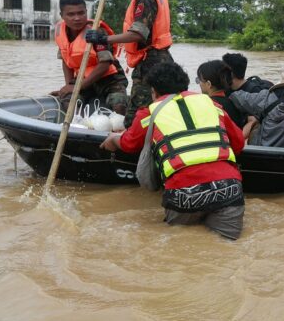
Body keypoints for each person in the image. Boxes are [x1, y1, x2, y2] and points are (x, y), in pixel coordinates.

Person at [100, 62, 245, 240]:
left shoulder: (150, 113)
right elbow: (238, 144)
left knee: (179, 244)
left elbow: (130, 144)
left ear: (154, 91)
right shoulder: (212, 105)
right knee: (227, 245)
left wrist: (113, 139)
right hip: (229, 190)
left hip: (184, 193)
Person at [86, 0, 172, 128]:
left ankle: (132, 149)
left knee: (136, 115)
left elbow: (138, 33)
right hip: (159, 58)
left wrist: (104, 39)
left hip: (150, 62)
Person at [50, 0, 127, 114]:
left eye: (81, 13)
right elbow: (66, 62)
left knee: (119, 105)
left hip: (109, 80)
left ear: (86, 12)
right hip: (83, 79)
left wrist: (77, 87)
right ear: (62, 16)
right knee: (68, 101)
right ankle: (79, 126)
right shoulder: (61, 32)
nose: (77, 18)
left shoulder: (96, 31)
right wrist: (69, 87)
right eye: (71, 14)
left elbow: (105, 64)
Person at [196, 59, 247, 129]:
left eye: (199, 80)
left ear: (208, 84)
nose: (199, 84)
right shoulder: (234, 101)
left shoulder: (208, 105)